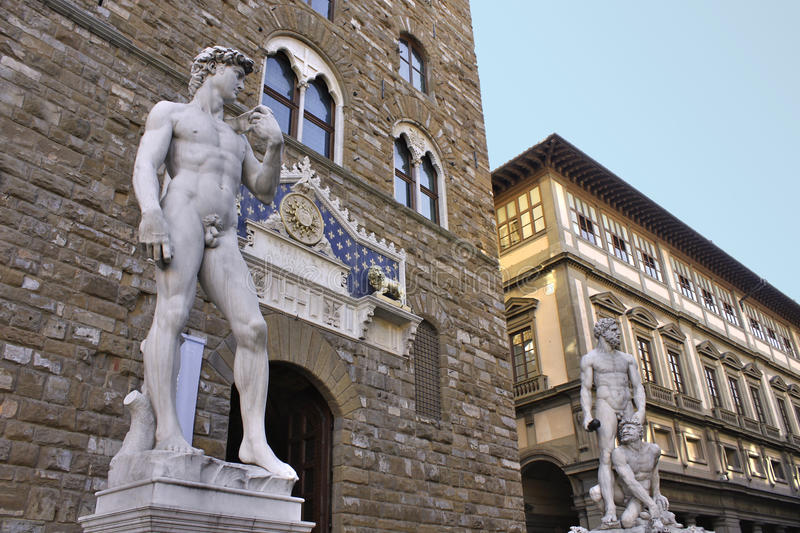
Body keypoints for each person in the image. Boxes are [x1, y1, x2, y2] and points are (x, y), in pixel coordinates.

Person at [132, 45, 295, 479]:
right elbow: (146, 163)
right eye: (237, 74)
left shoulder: (235, 137)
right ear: (212, 69)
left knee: (254, 329)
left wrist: (275, 145)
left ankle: (254, 441)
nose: (243, 84)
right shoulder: (172, 114)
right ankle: (168, 430)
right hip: (181, 214)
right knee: (172, 314)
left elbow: (261, 189)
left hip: (223, 233)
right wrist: (150, 212)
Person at [580, 318, 646, 528]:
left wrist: (641, 410)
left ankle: (640, 505)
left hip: (626, 403)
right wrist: (587, 415)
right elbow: (585, 388)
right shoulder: (590, 358)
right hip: (605, 403)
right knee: (606, 456)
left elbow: (638, 387)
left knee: (634, 453)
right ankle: (609, 508)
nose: (618, 334)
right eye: (613, 330)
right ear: (601, 332)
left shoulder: (627, 359)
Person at [589, 418, 679, 530]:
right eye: (623, 430)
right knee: (595, 492)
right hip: (623, 491)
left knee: (627, 521)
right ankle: (611, 521)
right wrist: (652, 505)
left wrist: (657, 493)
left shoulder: (654, 450)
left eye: (630, 428)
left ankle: (639, 518)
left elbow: (654, 473)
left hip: (640, 494)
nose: (625, 431)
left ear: (640, 432)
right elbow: (630, 482)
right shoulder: (619, 453)